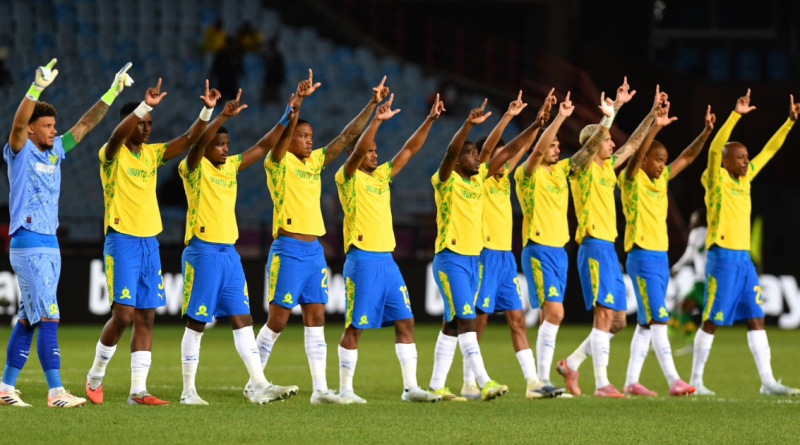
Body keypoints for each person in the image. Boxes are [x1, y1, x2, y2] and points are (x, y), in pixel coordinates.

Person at [245, 71, 389, 404]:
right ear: (291, 139)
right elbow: (280, 137)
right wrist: (296, 104)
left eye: (311, 136)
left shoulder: (316, 163)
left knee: (317, 317)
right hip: (288, 249)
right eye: (304, 136)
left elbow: (346, 136)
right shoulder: (277, 163)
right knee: (278, 321)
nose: (310, 140)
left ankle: (321, 390)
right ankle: (255, 382)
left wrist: (372, 104)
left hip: (314, 251)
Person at [0, 59, 130, 408]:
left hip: (50, 243)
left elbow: (85, 125)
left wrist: (112, 92)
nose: (54, 131)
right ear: (31, 130)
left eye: (54, 125)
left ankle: (5, 387)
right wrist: (35, 88)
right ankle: (56, 391)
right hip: (28, 243)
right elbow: (15, 124)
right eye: (46, 126)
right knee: (50, 315)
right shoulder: (19, 151)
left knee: (29, 318)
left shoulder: (56, 150)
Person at [85, 79, 219, 405]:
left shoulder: (152, 154)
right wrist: (145, 105)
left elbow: (189, 139)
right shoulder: (112, 154)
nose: (146, 128)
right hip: (122, 242)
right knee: (123, 315)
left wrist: (208, 110)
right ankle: (95, 377)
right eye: (142, 123)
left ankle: (138, 391)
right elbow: (116, 135)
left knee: (146, 317)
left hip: (149, 244)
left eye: (149, 124)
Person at [178, 89, 302, 405]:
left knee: (243, 319)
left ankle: (259, 384)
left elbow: (262, 146)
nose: (224, 149)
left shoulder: (230, 167)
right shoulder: (193, 168)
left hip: (229, 254)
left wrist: (287, 117)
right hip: (202, 251)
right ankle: (188, 391)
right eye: (218, 145)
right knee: (197, 322)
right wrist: (219, 115)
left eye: (226, 145)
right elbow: (195, 145)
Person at [334, 94, 445, 404]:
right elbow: (357, 151)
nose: (374, 154)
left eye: (375, 151)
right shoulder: (346, 177)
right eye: (369, 151)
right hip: (362, 260)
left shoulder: (381, 176)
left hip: (387, 261)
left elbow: (409, 149)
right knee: (355, 326)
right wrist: (376, 121)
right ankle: (345, 390)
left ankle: (410, 388)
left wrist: (429, 120)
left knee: (405, 321)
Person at [427, 97, 538, 402]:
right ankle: (483, 380)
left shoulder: (479, 182)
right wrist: (467, 126)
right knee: (468, 320)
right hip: (450, 260)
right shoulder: (446, 180)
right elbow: (452, 151)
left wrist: (535, 124)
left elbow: (509, 151)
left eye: (478, 155)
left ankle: (437, 385)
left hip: (473, 260)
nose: (478, 159)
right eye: (472, 155)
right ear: (460, 160)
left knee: (452, 323)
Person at [689, 90, 800, 396]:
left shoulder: (746, 177)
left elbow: (769, 151)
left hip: (744, 260)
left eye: (746, 157)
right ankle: (695, 381)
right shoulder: (715, 179)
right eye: (739, 157)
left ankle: (767, 382)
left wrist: (789, 123)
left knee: (756, 316)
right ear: (725, 162)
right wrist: (735, 115)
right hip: (721, 257)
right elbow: (712, 150)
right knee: (712, 319)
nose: (746, 161)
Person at [556, 79, 662, 397]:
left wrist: (652, 114)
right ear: (594, 145)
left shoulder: (607, 169)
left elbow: (631, 144)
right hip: (592, 245)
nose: (612, 145)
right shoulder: (582, 168)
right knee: (603, 314)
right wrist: (610, 113)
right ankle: (602, 384)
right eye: (606, 142)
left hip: (609, 249)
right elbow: (591, 148)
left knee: (616, 322)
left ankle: (572, 363)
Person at [461, 91, 560, 400]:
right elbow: (493, 150)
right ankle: (469, 382)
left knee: (517, 319)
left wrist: (538, 123)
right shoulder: (485, 175)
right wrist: (508, 117)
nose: (505, 161)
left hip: (506, 258)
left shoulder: (504, 179)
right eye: (498, 158)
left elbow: (519, 149)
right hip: (484, 254)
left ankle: (532, 383)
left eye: (507, 158)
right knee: (479, 320)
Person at [618, 100, 713, 397]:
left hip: (660, 256)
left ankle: (631, 381)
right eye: (657, 159)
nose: (662, 164)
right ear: (645, 159)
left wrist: (706, 132)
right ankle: (674, 379)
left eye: (664, 160)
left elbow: (687, 157)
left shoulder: (661, 182)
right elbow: (633, 160)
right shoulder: (630, 179)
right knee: (659, 317)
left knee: (647, 323)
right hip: (642, 255)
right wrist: (654, 126)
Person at [516, 91, 606, 395]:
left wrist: (610, 116)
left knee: (547, 316)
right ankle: (539, 381)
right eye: (552, 145)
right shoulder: (526, 173)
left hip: (560, 250)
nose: (556, 149)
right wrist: (560, 118)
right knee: (556, 314)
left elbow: (588, 151)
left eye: (558, 145)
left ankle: (540, 383)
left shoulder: (562, 172)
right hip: (538, 249)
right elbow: (538, 149)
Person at [670, 208, 708, 351]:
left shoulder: (697, 233)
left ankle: (691, 343)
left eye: (694, 219)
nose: (691, 222)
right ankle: (690, 343)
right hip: (710, 280)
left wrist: (677, 266)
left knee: (681, 308)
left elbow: (690, 253)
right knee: (681, 307)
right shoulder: (712, 233)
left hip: (701, 280)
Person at [261, 37, 285, 105]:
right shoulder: (267, 55)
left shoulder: (278, 56)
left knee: (277, 100)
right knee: (265, 100)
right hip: (268, 80)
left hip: (276, 81)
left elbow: (281, 68)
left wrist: (281, 79)